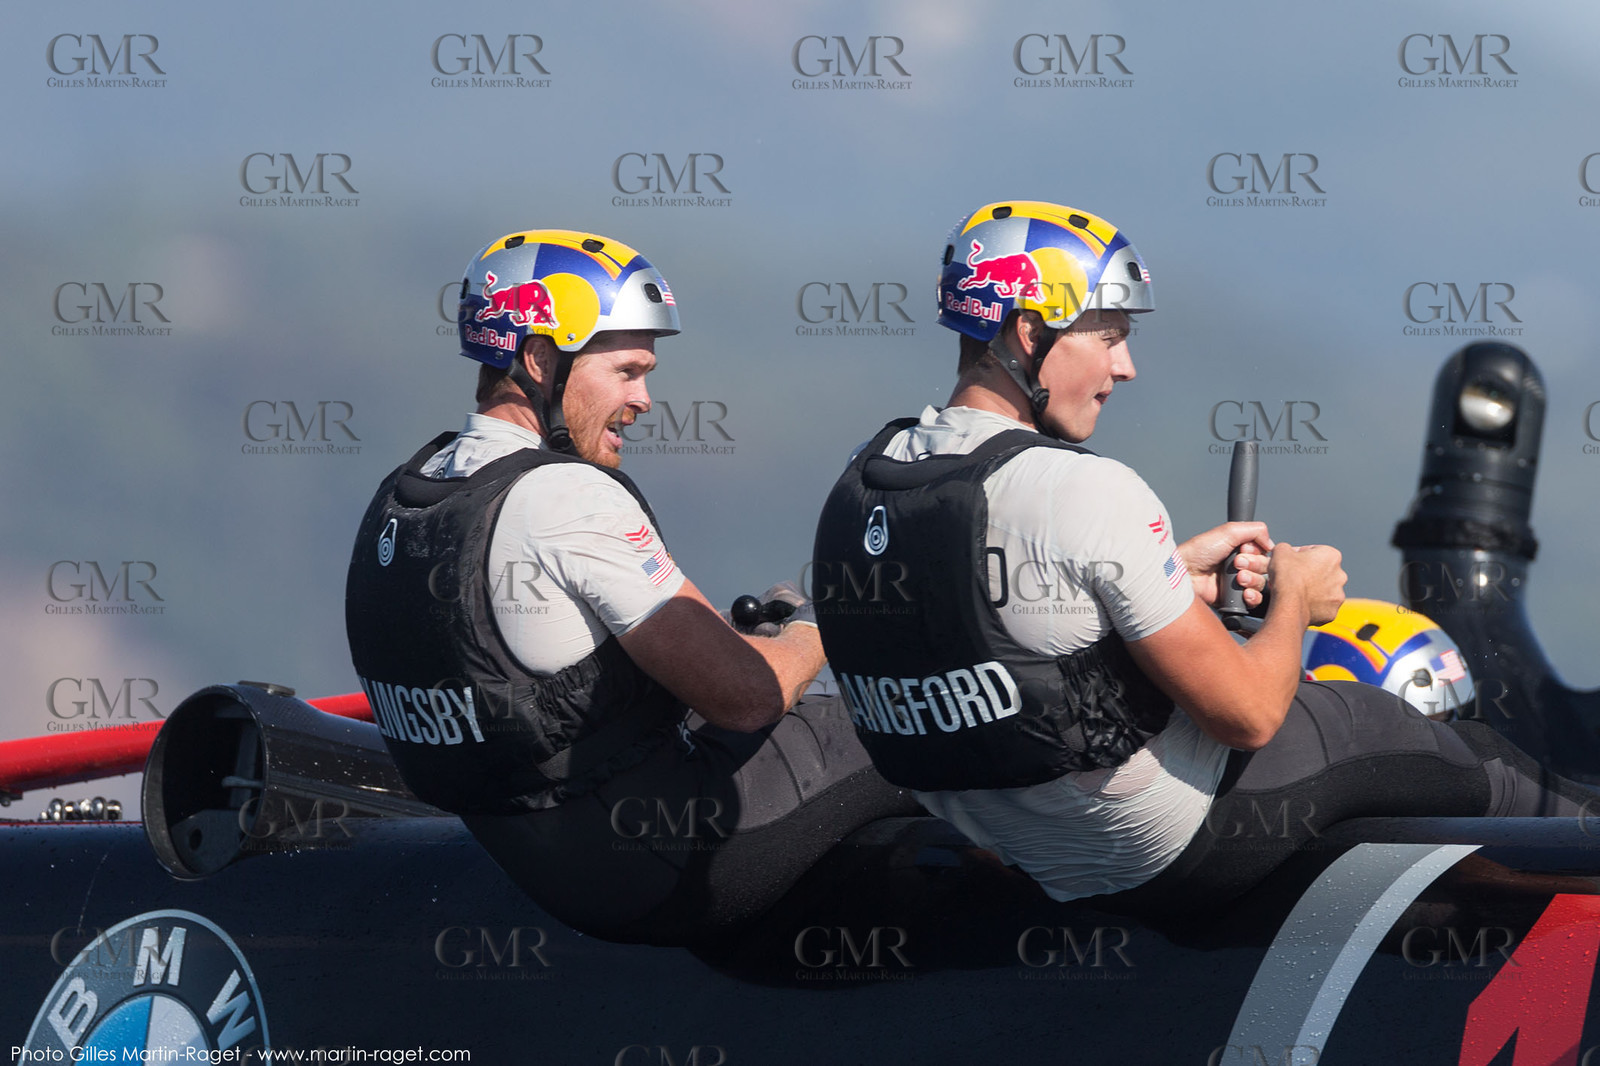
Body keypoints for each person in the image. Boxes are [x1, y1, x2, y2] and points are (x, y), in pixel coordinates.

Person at [811, 200, 1595, 915]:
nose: (1126, 368)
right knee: (1450, 749)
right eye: (1110, 336)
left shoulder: (868, 476)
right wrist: (1295, 598)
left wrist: (1171, 576)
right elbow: (1249, 715)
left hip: (1017, 841)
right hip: (1158, 842)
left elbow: (996, 625)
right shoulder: (1079, 488)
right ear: (1030, 331)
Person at [345, 229, 914, 945]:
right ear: (541, 358)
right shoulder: (566, 499)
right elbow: (748, 697)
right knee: (915, 722)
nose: (645, 400)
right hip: (665, 870)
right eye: (627, 371)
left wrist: (747, 649)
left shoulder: (412, 493)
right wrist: (814, 626)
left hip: (547, 864)